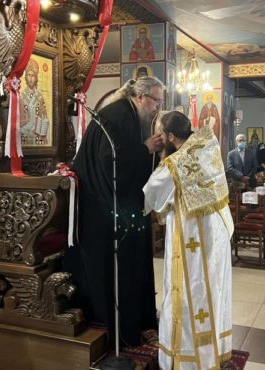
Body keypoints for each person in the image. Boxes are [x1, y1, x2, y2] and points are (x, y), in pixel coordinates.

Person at [71, 77, 164, 347]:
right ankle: (124, 326)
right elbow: (111, 163)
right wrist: (146, 148)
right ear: (140, 97)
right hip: (102, 208)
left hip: (117, 205)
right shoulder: (119, 115)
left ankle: (140, 320)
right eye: (156, 101)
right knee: (122, 264)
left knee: (136, 254)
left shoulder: (129, 114)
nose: (157, 108)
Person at [144, 114, 233, 370]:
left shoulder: (174, 164)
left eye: (161, 133)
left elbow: (151, 194)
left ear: (171, 136)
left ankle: (189, 359)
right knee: (213, 289)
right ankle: (215, 349)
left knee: (190, 290)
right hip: (217, 233)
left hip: (192, 237)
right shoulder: (208, 143)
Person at [19, 59, 48, 145]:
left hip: (37, 134)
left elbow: (44, 118)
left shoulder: (40, 97)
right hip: (24, 134)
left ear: (36, 78)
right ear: (26, 77)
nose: (31, 78)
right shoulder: (21, 96)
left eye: (33, 76)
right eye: (29, 75)